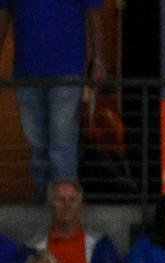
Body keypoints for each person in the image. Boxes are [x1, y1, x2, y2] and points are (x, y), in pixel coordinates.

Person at [0, 0, 107, 199]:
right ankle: (46, 202)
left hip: (66, 70)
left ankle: (62, 206)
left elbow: (94, 12)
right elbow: (3, 13)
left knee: (62, 142)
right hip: (27, 71)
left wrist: (99, 59)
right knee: (38, 143)